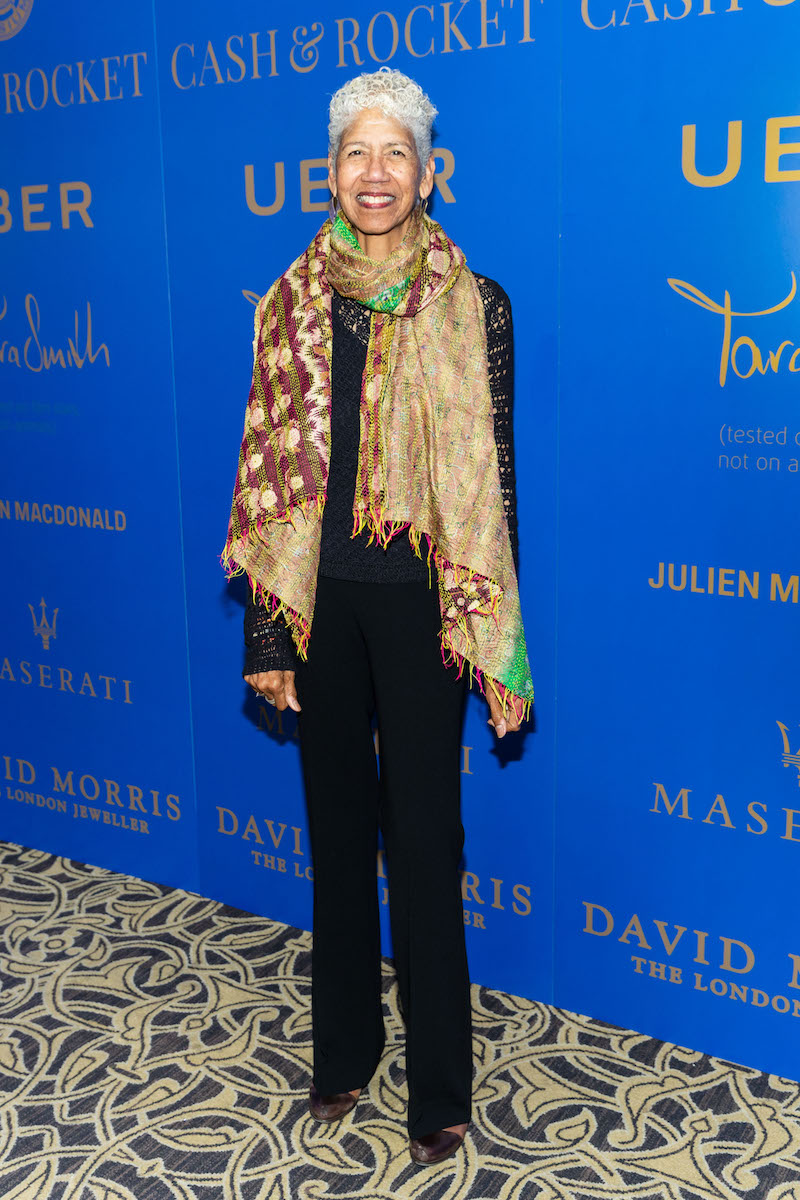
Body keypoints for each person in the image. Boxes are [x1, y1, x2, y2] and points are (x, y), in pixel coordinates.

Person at [223, 68, 533, 1167]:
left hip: (423, 610)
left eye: (394, 152)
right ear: (331, 170)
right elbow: (265, 473)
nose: (374, 172)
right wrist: (269, 633)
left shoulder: (476, 302)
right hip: (321, 605)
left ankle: (439, 1085)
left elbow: (491, 476)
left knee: (427, 840)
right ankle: (344, 1052)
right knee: (337, 837)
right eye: (356, 152)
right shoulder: (289, 301)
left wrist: (487, 623)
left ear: (426, 172)